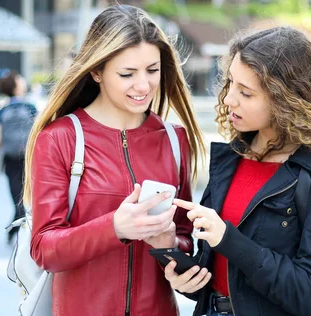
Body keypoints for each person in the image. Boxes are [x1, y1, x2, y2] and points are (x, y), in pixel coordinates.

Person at [164, 27, 311, 316]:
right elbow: (221, 277)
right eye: (230, 83)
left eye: (246, 93)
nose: (228, 100)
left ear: (285, 100)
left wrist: (228, 238)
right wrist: (185, 278)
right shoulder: (231, 160)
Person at [23, 5, 205, 316]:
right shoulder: (60, 138)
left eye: (152, 70)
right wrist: (114, 227)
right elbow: (44, 249)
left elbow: (185, 238)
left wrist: (172, 244)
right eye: (127, 73)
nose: (143, 85)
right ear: (97, 71)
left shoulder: (175, 140)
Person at [0, 71, 37, 243]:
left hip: (10, 158)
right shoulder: (30, 107)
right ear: (16, 86)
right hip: (29, 158)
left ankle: (15, 228)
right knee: (28, 197)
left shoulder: (2, 110)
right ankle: (20, 229)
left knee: (16, 196)